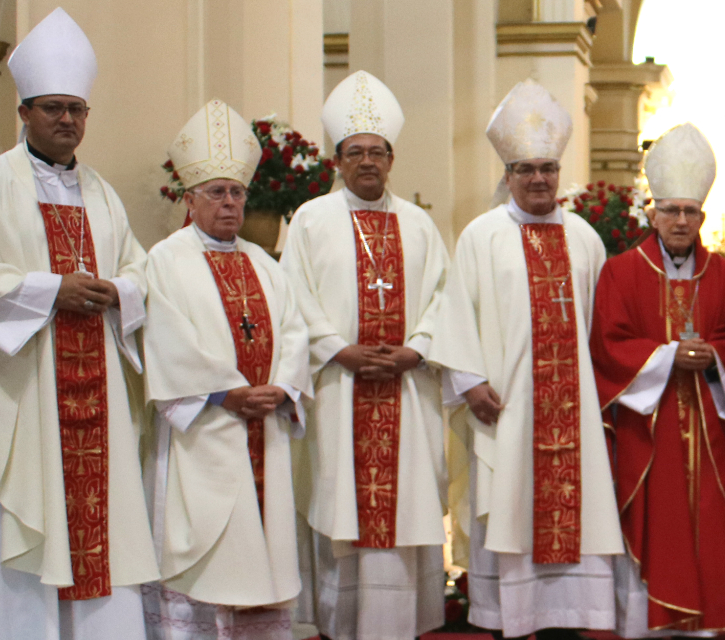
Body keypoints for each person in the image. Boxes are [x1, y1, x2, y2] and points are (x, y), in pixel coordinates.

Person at [0, 9, 157, 638]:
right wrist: (54, 291)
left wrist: (118, 290)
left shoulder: (103, 194)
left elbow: (137, 270)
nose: (67, 120)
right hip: (18, 394)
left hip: (92, 390)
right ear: (24, 112)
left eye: (76, 109)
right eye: (53, 108)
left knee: (97, 526)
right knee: (22, 520)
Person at [432, 80, 617, 640]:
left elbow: (603, 329)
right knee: (511, 509)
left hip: (574, 413)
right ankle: (511, 622)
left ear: (559, 173)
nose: (539, 179)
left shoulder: (586, 239)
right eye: (526, 169)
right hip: (507, 408)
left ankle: (567, 622)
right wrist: (469, 383)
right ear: (507, 176)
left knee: (574, 520)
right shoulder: (481, 237)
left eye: (547, 168)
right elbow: (456, 313)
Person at [280, 70, 452, 640]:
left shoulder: (420, 225)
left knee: (399, 515)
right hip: (338, 390)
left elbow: (444, 301)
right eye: (355, 153)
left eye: (377, 152)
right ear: (338, 160)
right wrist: (339, 350)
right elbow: (292, 300)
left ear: (393, 158)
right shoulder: (309, 221)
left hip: (406, 390)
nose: (367, 162)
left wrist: (415, 350)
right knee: (341, 509)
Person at [142, 99, 311, 639]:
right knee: (205, 561)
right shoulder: (164, 261)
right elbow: (168, 341)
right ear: (190, 200)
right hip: (207, 433)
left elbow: (294, 332)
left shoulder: (266, 263)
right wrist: (228, 394)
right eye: (217, 192)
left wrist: (281, 386)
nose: (230, 202)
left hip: (264, 427)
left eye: (237, 191)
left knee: (263, 550)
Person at [591, 124, 725, 637]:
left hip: (709, 426)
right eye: (672, 211)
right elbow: (608, 345)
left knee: (710, 519)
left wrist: (713, 357)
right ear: (653, 213)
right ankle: (649, 623)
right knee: (657, 523)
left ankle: (709, 622)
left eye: (691, 212)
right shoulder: (620, 273)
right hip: (649, 428)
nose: (681, 221)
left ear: (703, 216)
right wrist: (666, 357)